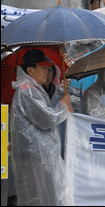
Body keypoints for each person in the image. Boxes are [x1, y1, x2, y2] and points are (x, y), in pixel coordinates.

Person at [10, 49, 73, 206]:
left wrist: (63, 108)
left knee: (49, 197)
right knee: (40, 198)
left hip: (43, 156)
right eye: (43, 67)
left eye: (48, 68)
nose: (47, 71)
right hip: (36, 157)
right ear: (30, 70)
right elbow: (47, 120)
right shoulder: (27, 92)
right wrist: (62, 105)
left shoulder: (34, 89)